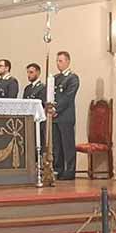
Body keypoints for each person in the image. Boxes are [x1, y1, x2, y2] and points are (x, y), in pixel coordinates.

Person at [52, 51, 80, 180]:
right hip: (55, 116)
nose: (58, 63)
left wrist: (56, 109)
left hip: (66, 116)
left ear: (68, 61)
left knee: (67, 145)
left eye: (61, 61)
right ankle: (58, 169)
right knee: (57, 146)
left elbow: (68, 97)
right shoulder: (56, 78)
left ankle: (70, 170)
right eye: (57, 61)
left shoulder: (73, 78)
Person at [22, 63, 47, 154]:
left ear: (38, 73)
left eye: (31, 72)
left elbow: (42, 104)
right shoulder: (27, 88)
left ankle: (38, 162)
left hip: (37, 120)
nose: (29, 75)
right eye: (28, 72)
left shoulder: (42, 87)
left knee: (38, 141)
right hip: (28, 120)